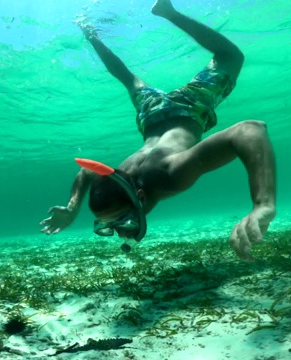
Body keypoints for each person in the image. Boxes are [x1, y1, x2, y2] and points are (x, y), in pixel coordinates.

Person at [40, 0, 276, 261]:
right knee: (129, 79)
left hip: (189, 109)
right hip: (150, 114)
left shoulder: (171, 175)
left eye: (124, 222)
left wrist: (262, 204)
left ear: (140, 196)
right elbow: (87, 170)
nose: (121, 233)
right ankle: (95, 35)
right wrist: (73, 208)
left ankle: (169, 13)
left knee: (231, 57)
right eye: (108, 227)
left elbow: (250, 130)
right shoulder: (114, 178)